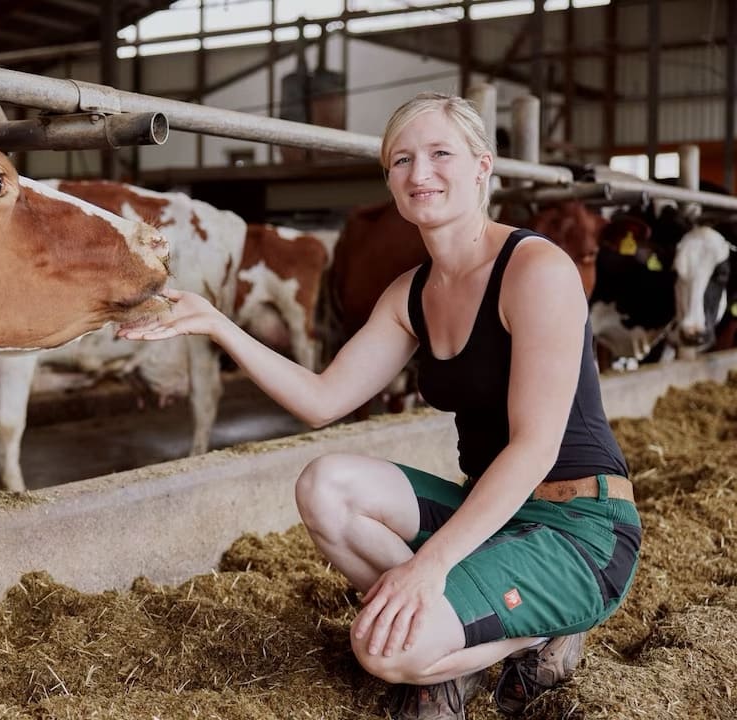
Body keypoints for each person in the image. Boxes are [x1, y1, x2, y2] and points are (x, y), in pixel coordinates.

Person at [118, 92, 641, 719]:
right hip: (489, 515)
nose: (419, 174)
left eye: (440, 153)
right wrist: (219, 326)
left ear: (483, 166)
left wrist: (429, 569)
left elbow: (534, 447)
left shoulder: (536, 270)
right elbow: (321, 400)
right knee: (326, 485)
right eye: (401, 161)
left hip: (580, 528)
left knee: (384, 652)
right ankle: (461, 630)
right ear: (389, 179)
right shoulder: (410, 294)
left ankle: (534, 630)